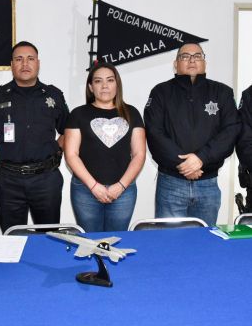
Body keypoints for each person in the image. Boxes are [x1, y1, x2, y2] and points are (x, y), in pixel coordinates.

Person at [144, 42, 241, 226]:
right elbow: (154, 132)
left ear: (204, 62)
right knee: (169, 239)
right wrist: (185, 165)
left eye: (197, 56)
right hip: (171, 183)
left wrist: (201, 158)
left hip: (208, 184)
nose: (191, 60)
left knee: (204, 239)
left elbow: (231, 131)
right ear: (176, 64)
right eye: (185, 56)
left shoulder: (223, 92)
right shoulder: (160, 92)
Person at [0, 41, 69, 233]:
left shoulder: (53, 95)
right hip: (9, 181)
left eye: (30, 59)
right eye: (19, 59)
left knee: (49, 236)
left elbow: (68, 131)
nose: (25, 64)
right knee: (12, 237)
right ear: (12, 65)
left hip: (46, 180)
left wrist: (55, 151)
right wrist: (6, 154)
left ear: (38, 63)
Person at [64, 62, 146, 232]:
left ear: (117, 84)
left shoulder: (132, 113)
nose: (104, 86)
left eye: (110, 80)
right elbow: (71, 154)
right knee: (90, 241)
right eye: (98, 81)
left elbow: (139, 154)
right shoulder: (78, 114)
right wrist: (94, 186)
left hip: (123, 191)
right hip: (85, 190)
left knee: (117, 240)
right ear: (90, 87)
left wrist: (121, 186)